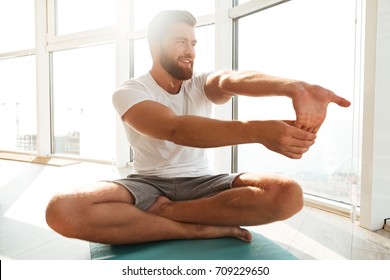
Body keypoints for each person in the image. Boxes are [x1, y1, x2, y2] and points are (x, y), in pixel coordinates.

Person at [46, 10, 351, 245]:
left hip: (203, 183)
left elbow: (231, 79)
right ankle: (192, 230)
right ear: (155, 46)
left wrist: (297, 88)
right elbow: (175, 129)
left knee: (288, 196)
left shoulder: (200, 84)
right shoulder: (129, 92)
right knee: (62, 209)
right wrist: (260, 131)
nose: (190, 50)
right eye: (180, 41)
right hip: (148, 184)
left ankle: (171, 214)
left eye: (192, 42)